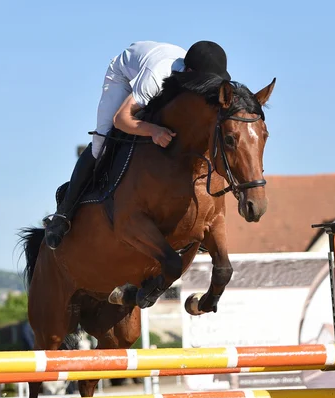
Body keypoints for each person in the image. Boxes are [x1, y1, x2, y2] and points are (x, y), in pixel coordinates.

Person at [44, 40, 231, 250]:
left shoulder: (197, 74)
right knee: (101, 144)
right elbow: (121, 119)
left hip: (160, 74)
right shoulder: (156, 76)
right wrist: (152, 130)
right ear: (189, 72)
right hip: (123, 76)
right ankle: (63, 214)